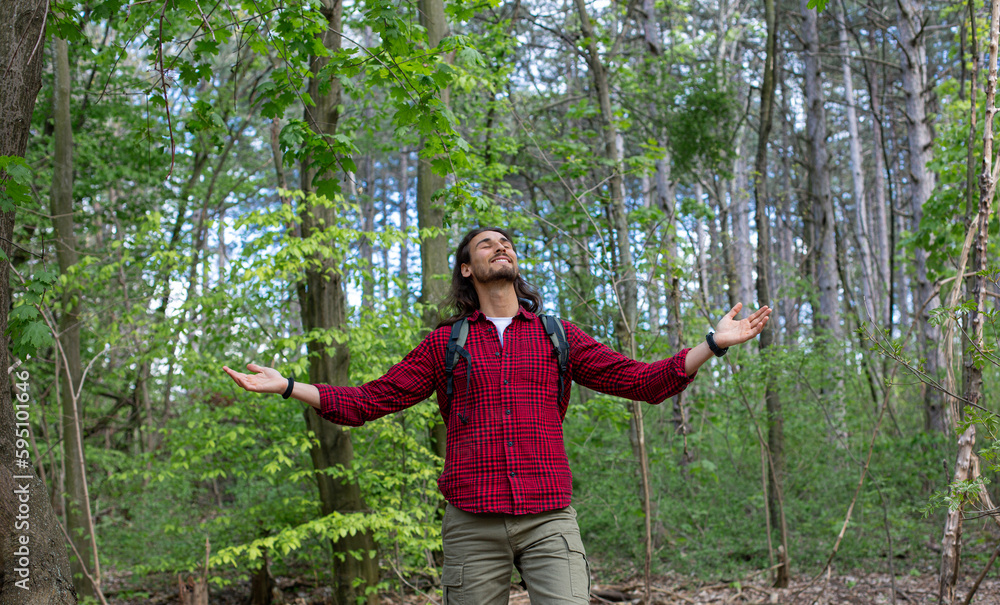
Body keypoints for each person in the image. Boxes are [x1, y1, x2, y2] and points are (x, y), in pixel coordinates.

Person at [223, 227, 770, 605]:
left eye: (505, 242)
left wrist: (712, 344)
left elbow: (644, 383)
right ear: (468, 268)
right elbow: (370, 401)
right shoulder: (446, 344)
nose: (499, 246)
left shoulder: (557, 336)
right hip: (471, 524)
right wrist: (290, 386)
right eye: (485, 244)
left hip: (548, 519)